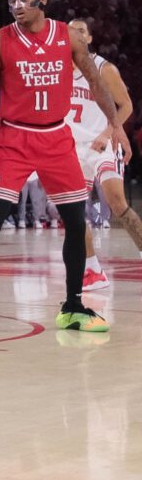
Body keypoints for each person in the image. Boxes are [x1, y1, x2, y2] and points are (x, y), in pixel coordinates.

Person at [0, 0, 130, 333]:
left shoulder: (68, 36)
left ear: (42, 0)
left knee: (76, 223)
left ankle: (74, 306)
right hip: (13, 137)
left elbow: (96, 82)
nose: (16, 5)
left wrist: (115, 125)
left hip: (56, 137)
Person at [66, 18, 142, 291]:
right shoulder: (58, 69)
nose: (76, 35)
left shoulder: (103, 68)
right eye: (71, 32)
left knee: (117, 203)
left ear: (89, 38)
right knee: (73, 212)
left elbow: (127, 106)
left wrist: (108, 133)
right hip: (73, 148)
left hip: (103, 144)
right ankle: (93, 270)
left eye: (81, 31)